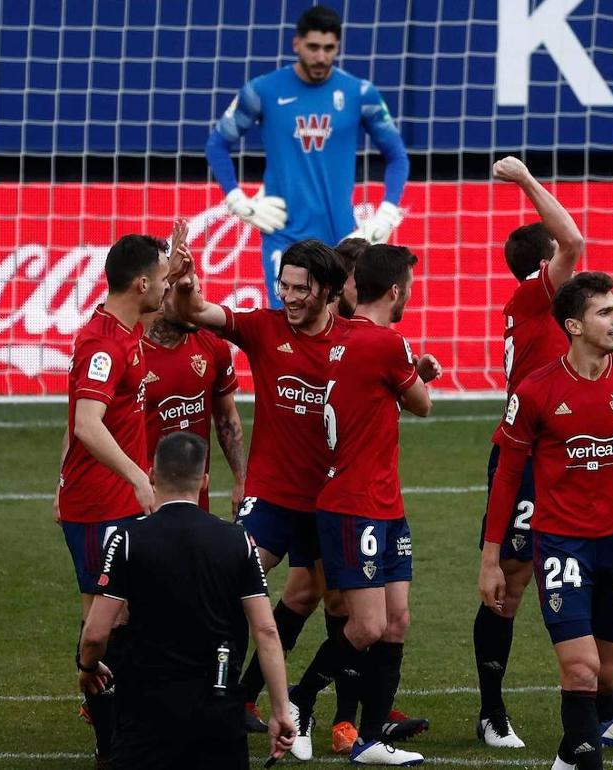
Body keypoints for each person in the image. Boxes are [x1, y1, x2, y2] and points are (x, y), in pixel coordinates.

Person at [473, 157, 613, 749]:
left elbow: (602, 392)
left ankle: (606, 710)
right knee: (508, 585)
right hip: (528, 459)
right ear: (545, 270)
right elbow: (573, 237)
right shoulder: (532, 300)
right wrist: (524, 179)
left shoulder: (551, 326)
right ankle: (492, 712)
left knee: (585, 585)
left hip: (561, 452)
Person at [171, 238, 348, 761]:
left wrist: (420, 373)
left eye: (301, 288)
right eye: (284, 285)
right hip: (272, 498)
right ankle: (216, 696)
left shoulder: (356, 343)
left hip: (328, 503)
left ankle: (309, 705)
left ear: (328, 291)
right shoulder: (262, 327)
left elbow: (401, 388)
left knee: (339, 609)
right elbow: (194, 310)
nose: (289, 297)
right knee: (226, 584)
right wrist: (184, 281)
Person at [285, 235, 429, 756]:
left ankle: (371, 738)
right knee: (366, 625)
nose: (412, 293)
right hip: (356, 504)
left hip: (383, 501)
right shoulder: (387, 343)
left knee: (396, 621)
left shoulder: (343, 336)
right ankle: (299, 699)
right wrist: (413, 375)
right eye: (410, 285)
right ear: (395, 290)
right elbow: (424, 403)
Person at [77, 431, 296, 769]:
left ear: (151, 474)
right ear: (204, 481)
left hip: (146, 713)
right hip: (217, 710)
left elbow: (95, 633)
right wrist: (281, 709)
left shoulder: (128, 539)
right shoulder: (239, 541)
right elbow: (266, 631)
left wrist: (87, 667)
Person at [57, 230, 173, 766]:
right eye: (163, 277)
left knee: (133, 617)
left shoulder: (129, 327)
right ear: (141, 282)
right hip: (98, 506)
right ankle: (110, 745)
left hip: (116, 501)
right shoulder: (103, 343)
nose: (169, 285)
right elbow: (86, 423)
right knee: (104, 626)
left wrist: (177, 258)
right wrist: (138, 476)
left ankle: (128, 728)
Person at [205, 5, 409, 308]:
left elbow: (397, 156)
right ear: (296, 43)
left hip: (342, 238)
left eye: (329, 48)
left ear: (338, 47)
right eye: (313, 47)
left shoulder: (359, 93)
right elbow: (217, 144)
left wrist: (388, 211)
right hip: (284, 236)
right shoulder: (263, 91)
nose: (321, 56)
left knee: (342, 340)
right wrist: (238, 202)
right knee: (287, 332)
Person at [141, 228, 246, 515]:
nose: (194, 304)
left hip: (193, 504)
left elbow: (226, 418)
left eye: (196, 292)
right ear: (161, 296)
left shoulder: (213, 347)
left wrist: (241, 479)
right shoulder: (129, 350)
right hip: (136, 496)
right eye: (184, 292)